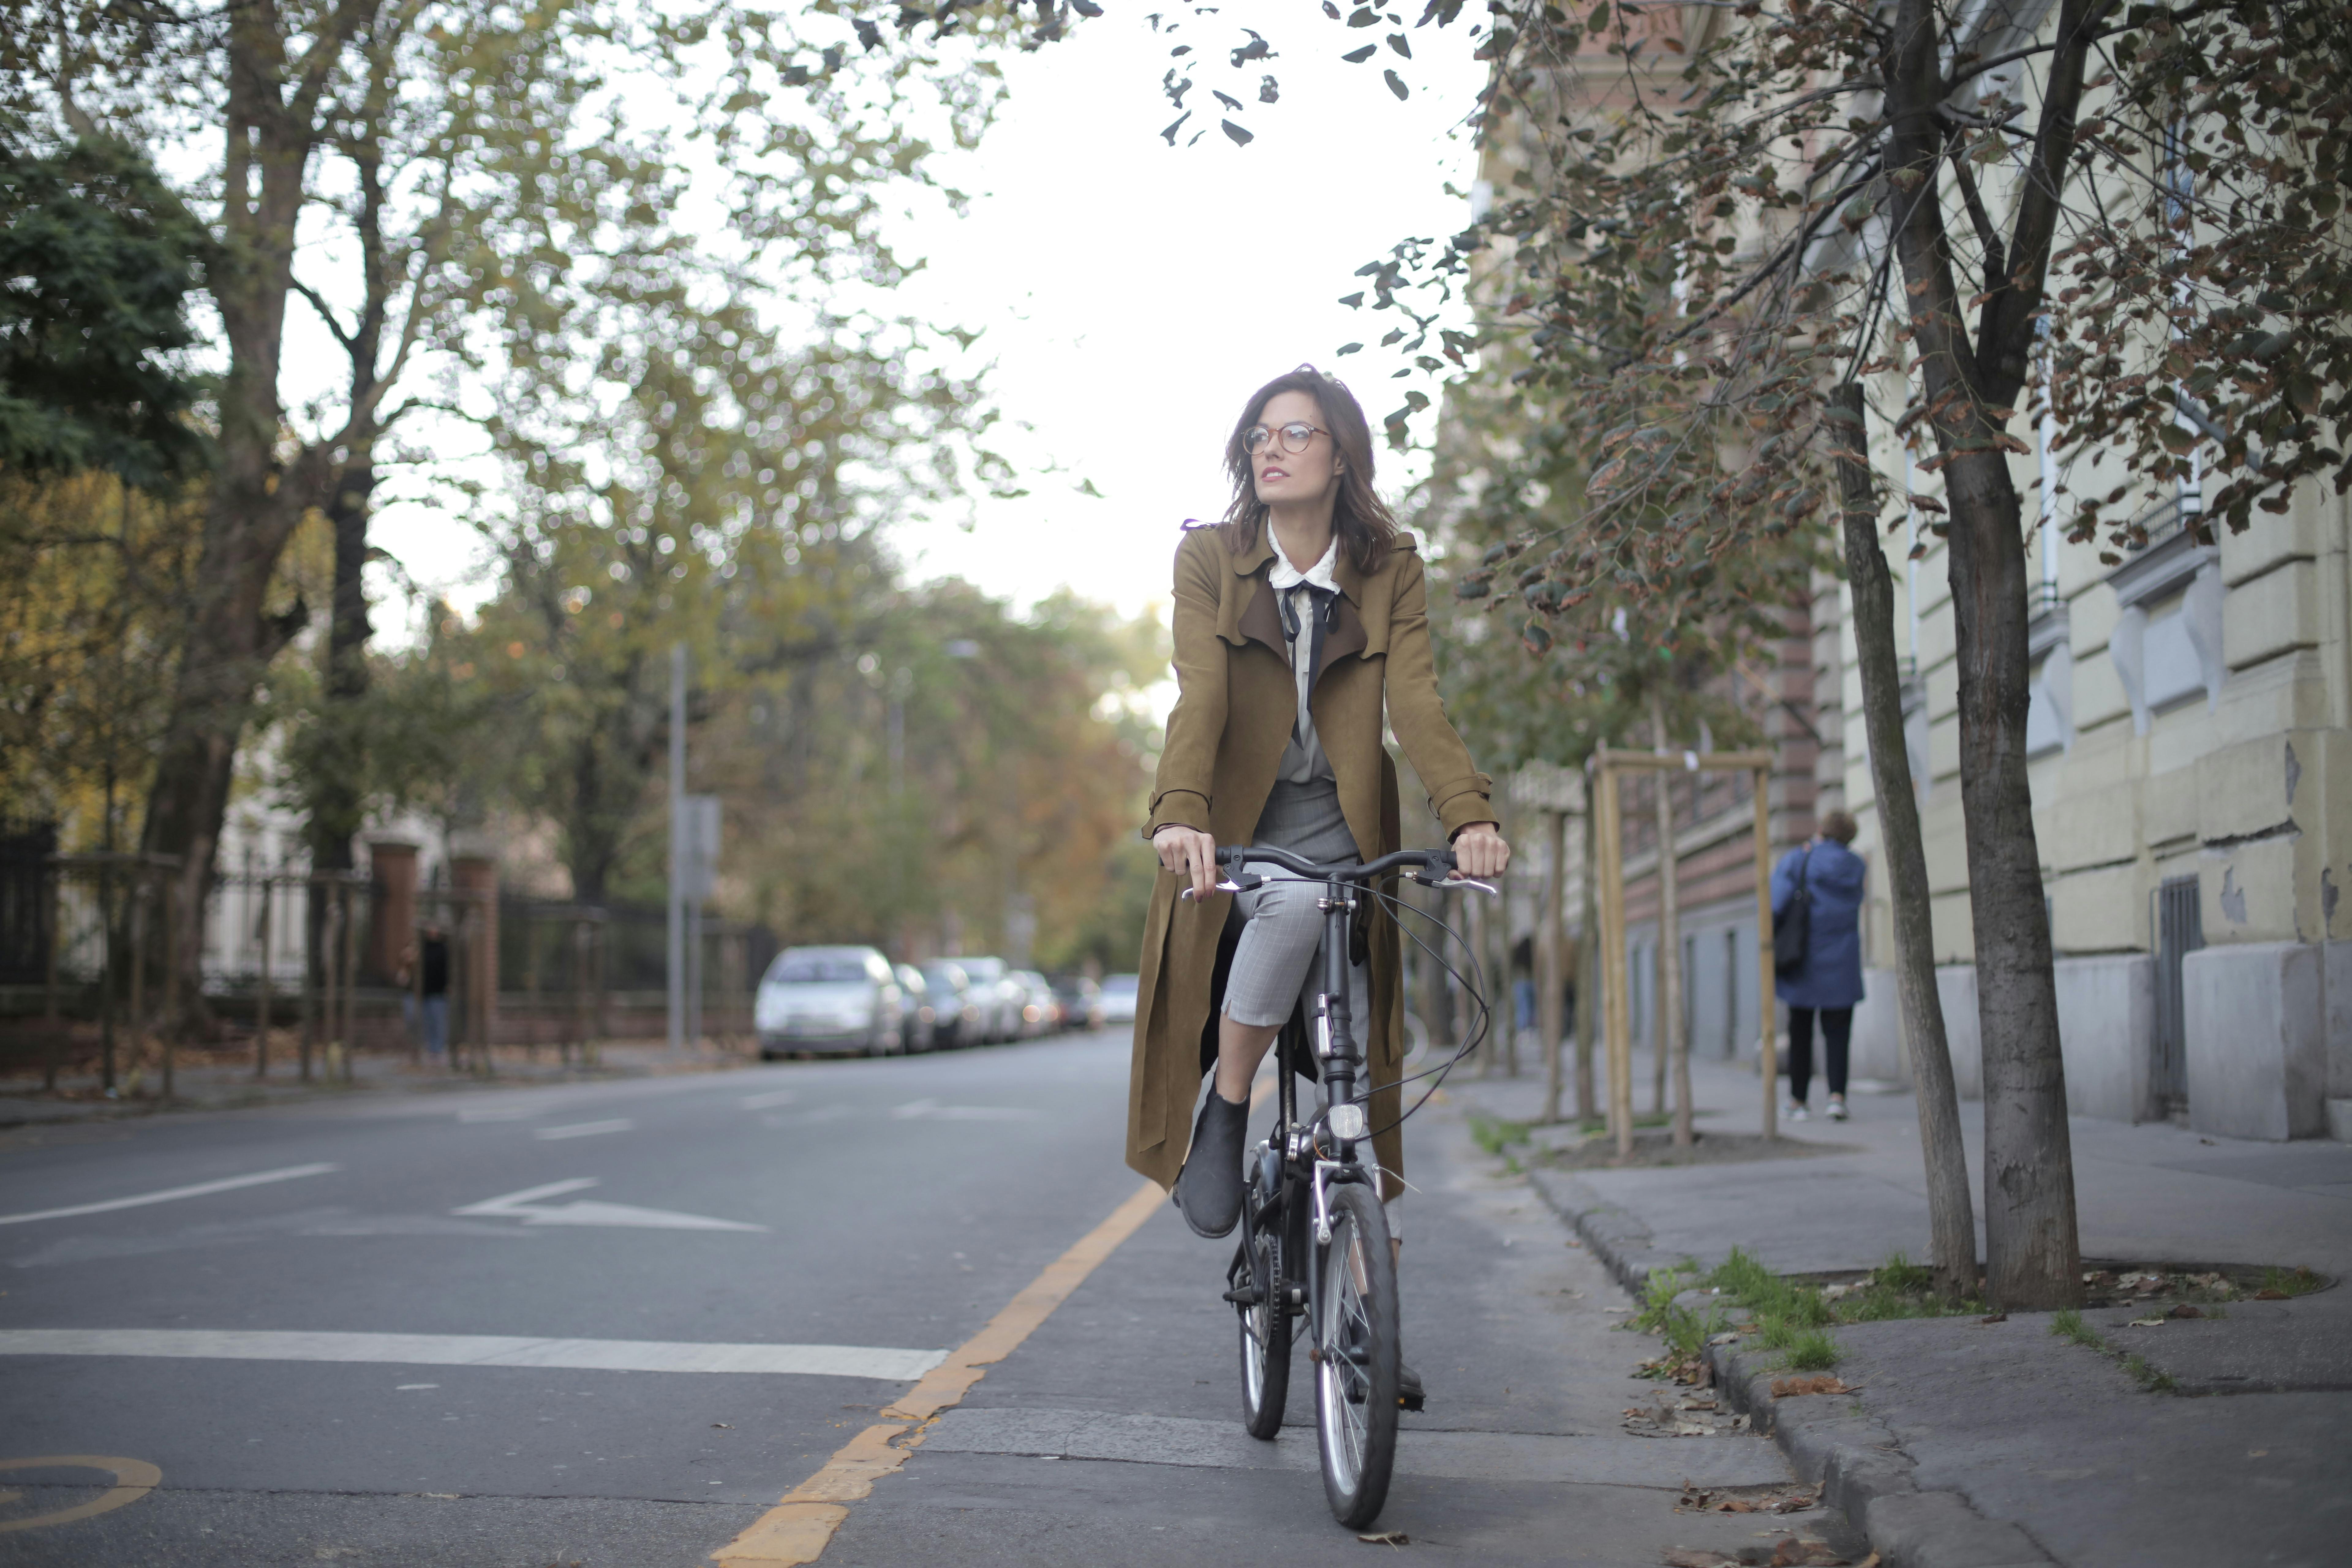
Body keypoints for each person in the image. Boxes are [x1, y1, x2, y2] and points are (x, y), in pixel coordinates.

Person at [1131, 366, 1509, 1407]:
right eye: (1260, 432)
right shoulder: (1212, 559)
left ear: (1342, 454)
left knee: (1361, 1092)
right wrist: (1181, 811)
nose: (1272, 446)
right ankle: (1229, 1107)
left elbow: (1417, 701)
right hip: (1239, 843)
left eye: (1296, 432)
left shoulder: (1390, 567)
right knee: (1295, 902)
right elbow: (1201, 696)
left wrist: (1468, 815)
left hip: (1349, 839)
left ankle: (1371, 1322)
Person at [1770, 809, 1866, 1121]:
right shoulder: (1857, 866)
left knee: (1800, 1031)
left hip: (1805, 959)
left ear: (1822, 830)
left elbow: (1775, 903)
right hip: (1844, 959)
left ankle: (1798, 1101)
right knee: (1839, 1032)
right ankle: (1837, 1098)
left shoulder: (1801, 859)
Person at [417, 923, 451, 1061]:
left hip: (439, 992)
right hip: (426, 992)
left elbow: (447, 970)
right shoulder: (423, 949)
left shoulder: (443, 949)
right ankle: (431, 1048)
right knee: (428, 1021)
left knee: (439, 1021)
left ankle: (439, 1048)